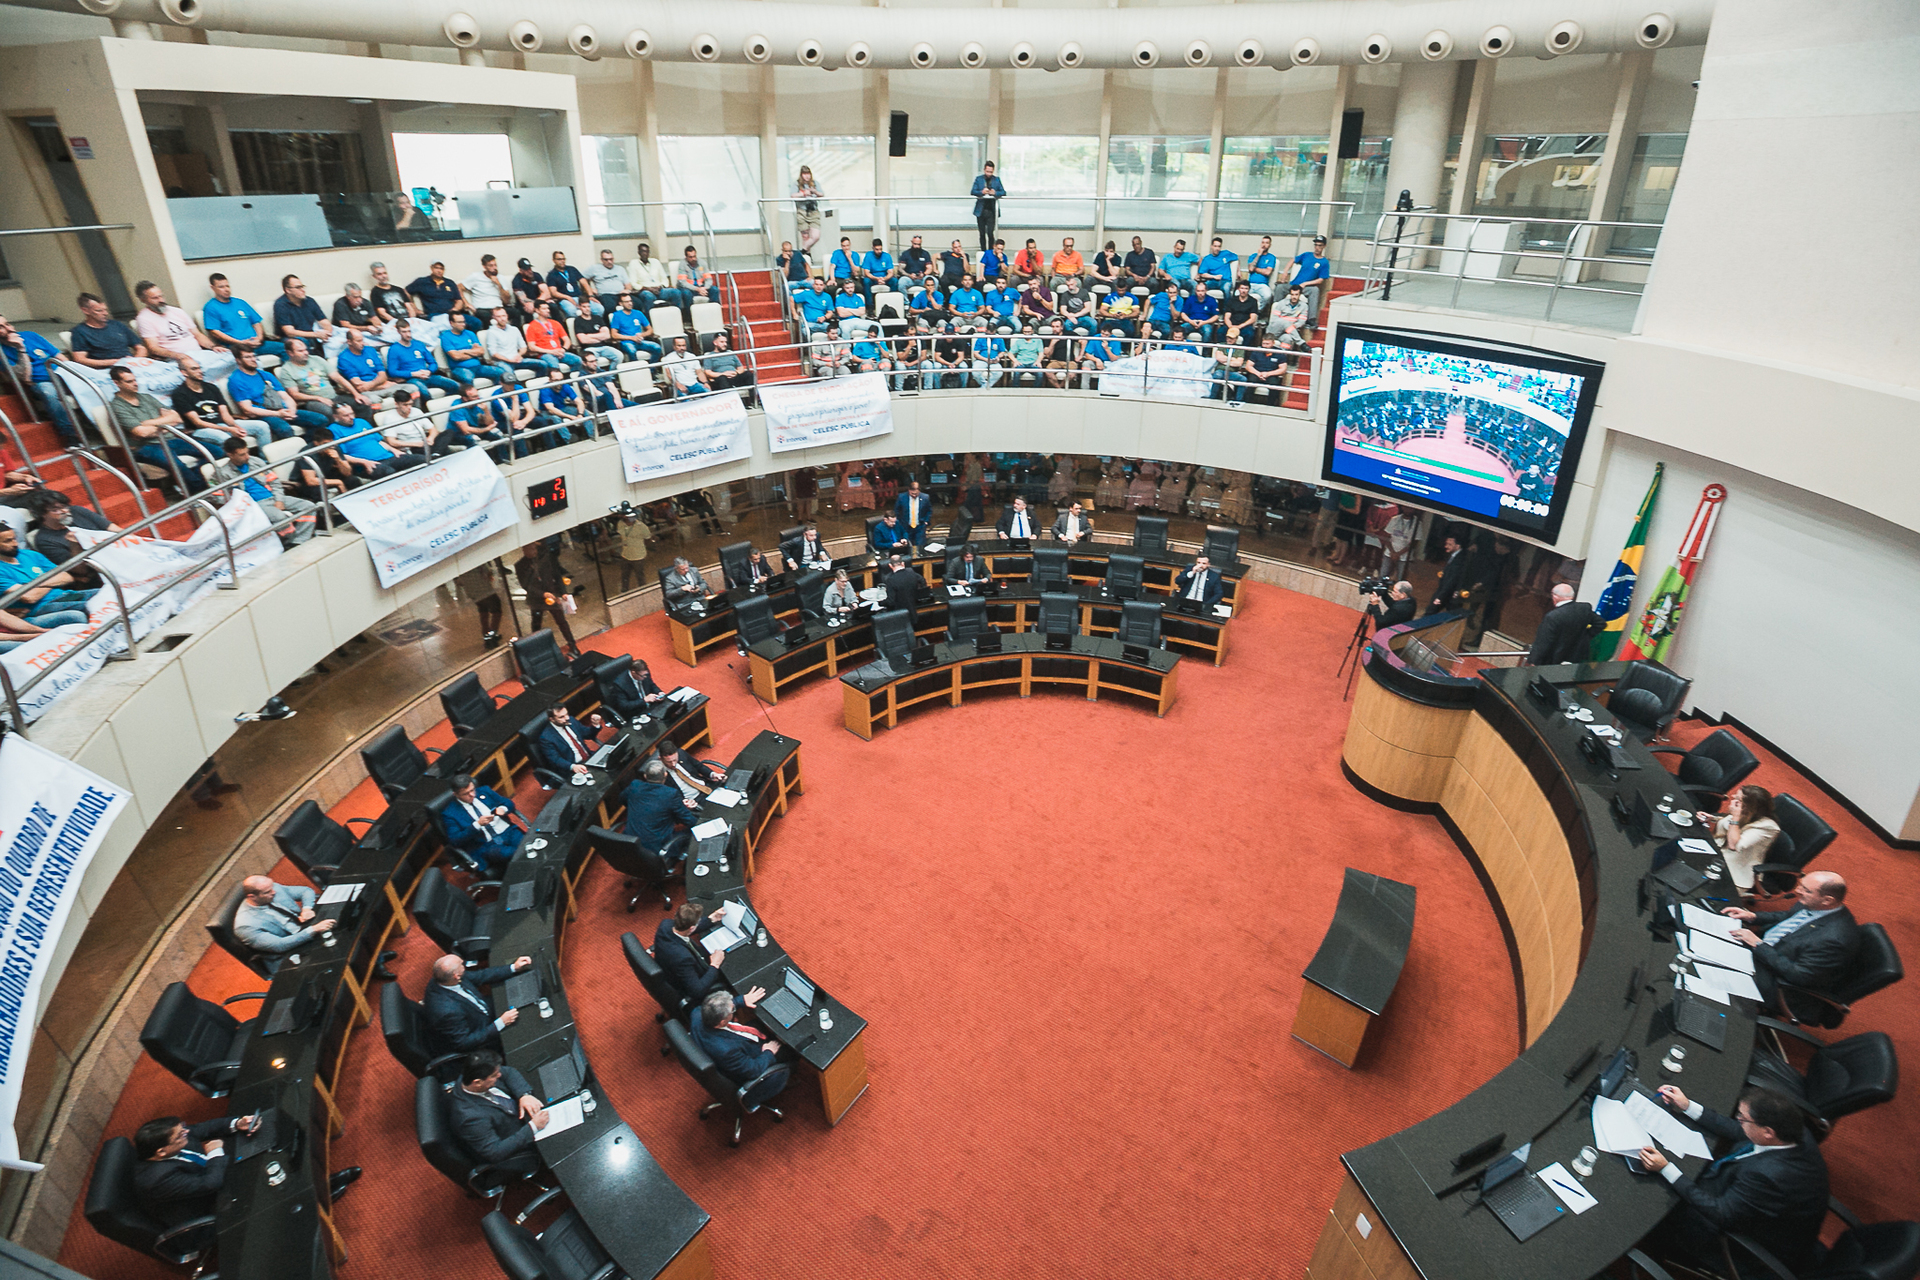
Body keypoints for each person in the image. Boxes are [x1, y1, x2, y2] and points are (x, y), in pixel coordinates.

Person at [1636, 1085, 1828, 1275]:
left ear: (1768, 1132)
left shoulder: (1767, 1177)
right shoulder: (1793, 1132)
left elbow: (1720, 1213)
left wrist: (1666, 1168)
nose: (1738, 1120)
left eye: (1743, 1118)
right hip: (1740, 1195)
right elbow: (1739, 1131)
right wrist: (1687, 1106)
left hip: (1734, 1241)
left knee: (1649, 1201)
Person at [1721, 870, 1860, 1018]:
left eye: (1806, 890)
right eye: (1801, 885)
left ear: (1827, 900)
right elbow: (1788, 917)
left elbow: (1798, 975)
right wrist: (1753, 916)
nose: (1798, 891)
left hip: (1779, 982)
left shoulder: (1834, 940)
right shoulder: (1816, 904)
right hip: (1769, 953)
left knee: (1720, 967)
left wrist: (1758, 945)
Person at [131, 1112, 266, 1245]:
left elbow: (205, 1128)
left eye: (183, 1127)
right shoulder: (157, 1180)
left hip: (213, 1178)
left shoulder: (173, 1138)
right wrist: (215, 1152)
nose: (186, 1132)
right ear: (161, 1152)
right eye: (180, 1135)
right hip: (207, 1209)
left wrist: (237, 1124)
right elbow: (210, 1184)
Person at [106, 365, 206, 496]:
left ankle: (197, 483)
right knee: (177, 465)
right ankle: (200, 493)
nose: (135, 384)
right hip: (145, 447)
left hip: (170, 439)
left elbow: (177, 418)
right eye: (129, 381)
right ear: (117, 383)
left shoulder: (146, 397)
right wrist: (164, 424)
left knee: (217, 451)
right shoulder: (117, 406)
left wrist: (148, 423)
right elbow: (141, 432)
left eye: (135, 380)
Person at [448, 1050, 548, 1178]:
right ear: (478, 1082)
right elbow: (495, 1152)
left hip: (522, 1115)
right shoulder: (470, 1118)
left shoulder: (469, 1077)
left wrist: (524, 1095)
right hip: (517, 1139)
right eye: (494, 1075)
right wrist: (533, 1127)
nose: (499, 1075)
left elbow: (508, 1072)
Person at [424, 951, 533, 1057]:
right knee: (528, 1027)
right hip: (483, 1034)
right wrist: (501, 1023)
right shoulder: (447, 1011)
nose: (464, 965)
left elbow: (481, 975)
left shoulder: (446, 978)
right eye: (462, 964)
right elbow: (464, 1042)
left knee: (525, 997)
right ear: (456, 976)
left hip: (483, 1010)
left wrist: (513, 967)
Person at [692, 990, 789, 1108]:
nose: (734, 1009)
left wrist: (740, 1001)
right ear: (722, 1022)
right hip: (751, 1060)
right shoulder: (726, 1051)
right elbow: (753, 1070)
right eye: (732, 1010)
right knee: (789, 1051)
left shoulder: (697, 1013)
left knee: (756, 1023)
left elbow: (715, 1008)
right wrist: (768, 1052)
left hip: (735, 1045)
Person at [211, 438, 317, 545]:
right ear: (230, 455)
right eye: (242, 455)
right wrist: (238, 503)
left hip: (273, 496)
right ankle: (290, 542)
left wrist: (279, 500)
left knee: (309, 506)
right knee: (279, 517)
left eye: (247, 452)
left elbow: (274, 482)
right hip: (255, 504)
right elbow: (215, 496)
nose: (247, 456)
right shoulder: (222, 473)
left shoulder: (256, 461)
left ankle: (299, 541)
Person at [232, 875, 335, 972]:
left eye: (272, 887)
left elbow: (305, 891)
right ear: (252, 896)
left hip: (304, 928)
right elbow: (280, 945)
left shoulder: (271, 889)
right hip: (288, 953)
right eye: (267, 892)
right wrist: (313, 930)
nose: (274, 892)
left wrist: (306, 909)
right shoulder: (245, 925)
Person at [0, 314, 77, 442]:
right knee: (49, 393)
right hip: (41, 382)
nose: (8, 328)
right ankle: (70, 435)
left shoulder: (30, 335)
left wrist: (74, 373)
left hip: (61, 374)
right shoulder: (1, 352)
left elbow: (60, 357)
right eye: (1, 327)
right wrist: (20, 349)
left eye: (7, 324)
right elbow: (23, 377)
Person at [0, 525, 92, 627]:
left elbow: (66, 577)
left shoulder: (29, 554)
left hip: (65, 595)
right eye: (8, 541)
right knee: (90, 607)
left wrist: (32, 585)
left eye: (14, 539)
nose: (15, 544)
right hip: (39, 607)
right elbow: (30, 597)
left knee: (103, 595)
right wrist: (52, 582)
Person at [172, 357, 269, 453]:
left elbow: (225, 413)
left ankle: (265, 459)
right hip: (201, 430)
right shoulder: (180, 394)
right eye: (194, 369)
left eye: (199, 368)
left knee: (262, 426)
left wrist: (235, 426)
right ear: (184, 372)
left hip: (222, 424)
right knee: (227, 439)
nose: (200, 371)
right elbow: (198, 423)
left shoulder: (211, 388)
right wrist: (228, 429)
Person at [1700, 785, 1781, 892]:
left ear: (1749, 806)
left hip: (1735, 871)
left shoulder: (1768, 827)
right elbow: (1735, 825)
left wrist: (1735, 817)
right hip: (1715, 853)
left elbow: (1734, 845)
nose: (1733, 797)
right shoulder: (1747, 813)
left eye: (1738, 798)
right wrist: (1713, 818)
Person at [439, 772, 526, 872]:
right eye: (466, 794)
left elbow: (508, 803)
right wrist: (477, 825)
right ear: (455, 794)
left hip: (508, 832)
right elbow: (455, 840)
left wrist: (503, 809)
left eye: (472, 790)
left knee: (528, 844)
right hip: (486, 844)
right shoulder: (450, 813)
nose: (472, 795)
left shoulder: (485, 791)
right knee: (517, 853)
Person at [652, 902, 731, 1001]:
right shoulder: (682, 958)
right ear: (692, 928)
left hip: (669, 966)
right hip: (683, 980)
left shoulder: (665, 925)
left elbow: (686, 928)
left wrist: (711, 919)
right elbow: (697, 991)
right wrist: (715, 964)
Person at [625, 759, 700, 863]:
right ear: (665, 775)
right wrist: (702, 823)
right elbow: (688, 820)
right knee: (692, 831)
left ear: (645, 776)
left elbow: (622, 799)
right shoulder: (670, 794)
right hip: (657, 849)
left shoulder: (635, 785)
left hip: (629, 843)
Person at [132, 278, 218, 364]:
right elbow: (153, 348)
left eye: (161, 296)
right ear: (143, 300)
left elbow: (197, 334)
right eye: (155, 298)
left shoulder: (177, 311)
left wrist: (213, 347)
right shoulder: (144, 318)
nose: (161, 300)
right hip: (175, 360)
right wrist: (177, 355)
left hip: (199, 354)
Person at [201, 273, 283, 359]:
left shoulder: (240, 302)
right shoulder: (211, 307)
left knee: (287, 348)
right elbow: (215, 332)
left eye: (227, 286)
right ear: (213, 288)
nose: (226, 290)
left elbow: (256, 322)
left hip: (255, 343)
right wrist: (240, 342)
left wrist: (259, 338)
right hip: (236, 346)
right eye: (221, 287)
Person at [1527, 583, 1603, 664]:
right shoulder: (1584, 608)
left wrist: (1533, 661)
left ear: (1555, 597)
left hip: (1554, 660)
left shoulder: (1552, 616)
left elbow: (1544, 642)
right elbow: (1600, 623)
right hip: (1576, 658)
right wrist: (1585, 637)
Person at [66, 293, 147, 369]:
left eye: (105, 310)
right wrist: (116, 362)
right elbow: (80, 359)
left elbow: (140, 348)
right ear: (85, 311)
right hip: (107, 369)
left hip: (132, 365)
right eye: (99, 311)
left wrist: (135, 361)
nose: (105, 313)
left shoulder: (117, 325)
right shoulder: (80, 332)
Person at [386, 319, 459, 402]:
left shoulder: (418, 344)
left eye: (409, 331)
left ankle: (447, 404)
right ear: (398, 332)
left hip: (427, 375)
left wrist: (429, 371)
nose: (408, 334)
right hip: (412, 379)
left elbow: (433, 363)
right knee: (424, 392)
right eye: (404, 332)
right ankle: (430, 408)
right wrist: (413, 374)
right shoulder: (394, 349)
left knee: (454, 385)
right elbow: (392, 371)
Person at [272, 275, 332, 353]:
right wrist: (316, 335)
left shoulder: (309, 301)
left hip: (312, 334)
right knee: (303, 342)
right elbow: (290, 332)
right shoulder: (281, 305)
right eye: (298, 287)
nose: (303, 290)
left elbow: (323, 321)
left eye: (302, 287)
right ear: (288, 290)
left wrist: (328, 333)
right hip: (292, 338)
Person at [600, 655, 667, 722]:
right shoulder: (620, 684)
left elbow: (651, 685)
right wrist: (644, 700)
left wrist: (659, 692)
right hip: (635, 713)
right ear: (633, 673)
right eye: (642, 676)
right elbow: (624, 706)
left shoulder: (644, 673)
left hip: (651, 707)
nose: (645, 677)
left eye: (646, 674)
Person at [657, 739, 726, 800]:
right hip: (694, 800)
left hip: (706, 785)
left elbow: (698, 766)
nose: (673, 764)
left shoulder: (681, 753)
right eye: (669, 762)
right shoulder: (659, 773)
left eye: (675, 760)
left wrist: (713, 774)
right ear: (660, 758)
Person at [1288, 234, 1332, 323]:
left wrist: (1305, 284)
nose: (1317, 248)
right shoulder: (1306, 255)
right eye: (1316, 245)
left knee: (1315, 290)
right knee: (1280, 288)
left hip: (1306, 287)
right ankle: (1274, 314)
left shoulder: (1324, 262)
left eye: (1320, 246)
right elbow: (1293, 260)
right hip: (1294, 284)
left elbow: (1320, 280)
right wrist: (1285, 272)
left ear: (1324, 246)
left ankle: (1311, 319)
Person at [1429, 532, 1471, 615]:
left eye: (1450, 544)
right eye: (1446, 544)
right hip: (1445, 592)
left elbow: (1452, 580)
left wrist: (1440, 597)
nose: (1446, 546)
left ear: (1457, 546)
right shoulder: (1453, 556)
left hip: (1449, 594)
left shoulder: (1460, 561)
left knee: (1431, 612)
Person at [628, 242, 678, 311]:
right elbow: (633, 283)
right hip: (645, 290)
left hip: (659, 290)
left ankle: (677, 314)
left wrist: (660, 286)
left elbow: (664, 279)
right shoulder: (633, 263)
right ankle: (649, 317)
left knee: (676, 292)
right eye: (643, 251)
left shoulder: (655, 262)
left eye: (647, 251)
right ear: (639, 252)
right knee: (649, 296)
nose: (645, 254)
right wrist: (648, 288)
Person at [461, 253, 508, 325]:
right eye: (491, 266)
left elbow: (507, 300)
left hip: (498, 307)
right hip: (483, 308)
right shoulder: (475, 277)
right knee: (485, 316)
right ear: (484, 267)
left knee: (515, 312)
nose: (494, 268)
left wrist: (499, 284)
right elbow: (458, 287)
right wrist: (466, 303)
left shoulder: (501, 278)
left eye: (495, 265)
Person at [970, 160, 1005, 253]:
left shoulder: (996, 180)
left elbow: (1003, 192)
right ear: (984, 170)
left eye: (991, 172)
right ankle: (983, 251)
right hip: (981, 210)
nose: (989, 174)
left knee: (990, 233)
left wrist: (995, 193)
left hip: (991, 211)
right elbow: (973, 191)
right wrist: (981, 192)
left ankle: (990, 252)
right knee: (982, 233)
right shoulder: (979, 179)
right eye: (987, 171)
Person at [791, 165, 825, 253]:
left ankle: (803, 251)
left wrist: (814, 191)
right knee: (805, 236)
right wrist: (803, 194)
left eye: (808, 174)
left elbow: (822, 194)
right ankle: (807, 256)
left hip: (813, 211)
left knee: (815, 236)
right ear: (801, 175)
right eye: (805, 174)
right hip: (802, 212)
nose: (807, 176)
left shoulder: (815, 183)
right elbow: (793, 195)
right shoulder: (796, 184)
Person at [895, 480, 934, 548]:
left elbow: (929, 510)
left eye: (916, 494)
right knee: (907, 546)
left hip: (920, 526)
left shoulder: (925, 497)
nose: (914, 495)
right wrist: (899, 522)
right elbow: (896, 510)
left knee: (920, 546)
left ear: (919, 491)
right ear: (909, 490)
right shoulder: (901, 497)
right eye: (912, 493)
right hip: (906, 527)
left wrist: (926, 521)